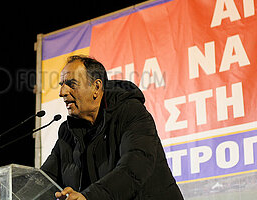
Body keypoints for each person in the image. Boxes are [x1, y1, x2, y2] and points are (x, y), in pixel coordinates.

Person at [41, 55, 184, 200]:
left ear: (96, 87)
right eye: (61, 85)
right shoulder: (67, 131)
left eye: (71, 84)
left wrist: (88, 197)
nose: (62, 93)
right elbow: (44, 180)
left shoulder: (131, 112)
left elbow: (133, 169)